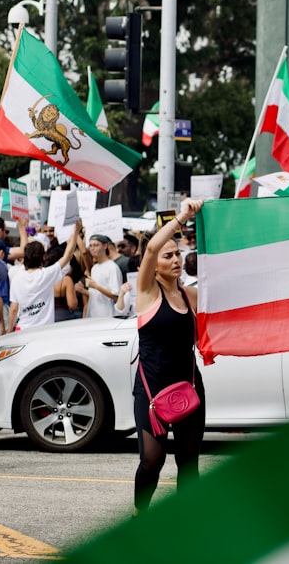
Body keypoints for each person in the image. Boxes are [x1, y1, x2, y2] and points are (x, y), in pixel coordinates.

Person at [132, 198, 204, 512]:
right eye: (169, 255)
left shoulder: (190, 295)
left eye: (179, 254)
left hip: (188, 386)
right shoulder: (147, 291)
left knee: (188, 462)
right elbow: (149, 249)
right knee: (152, 460)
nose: (176, 260)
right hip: (152, 390)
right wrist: (182, 218)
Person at [7, 221, 82, 331]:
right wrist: (76, 231)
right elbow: (67, 256)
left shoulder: (17, 278)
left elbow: (14, 308)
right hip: (44, 330)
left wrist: (9, 330)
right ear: (43, 257)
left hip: (22, 329)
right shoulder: (46, 274)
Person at [83, 234, 123, 318]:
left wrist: (96, 286)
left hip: (107, 315)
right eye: (90, 246)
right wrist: (83, 291)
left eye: (96, 245)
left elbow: (116, 296)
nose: (92, 248)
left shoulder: (112, 267)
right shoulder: (94, 268)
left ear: (105, 246)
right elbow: (95, 294)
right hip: (93, 315)